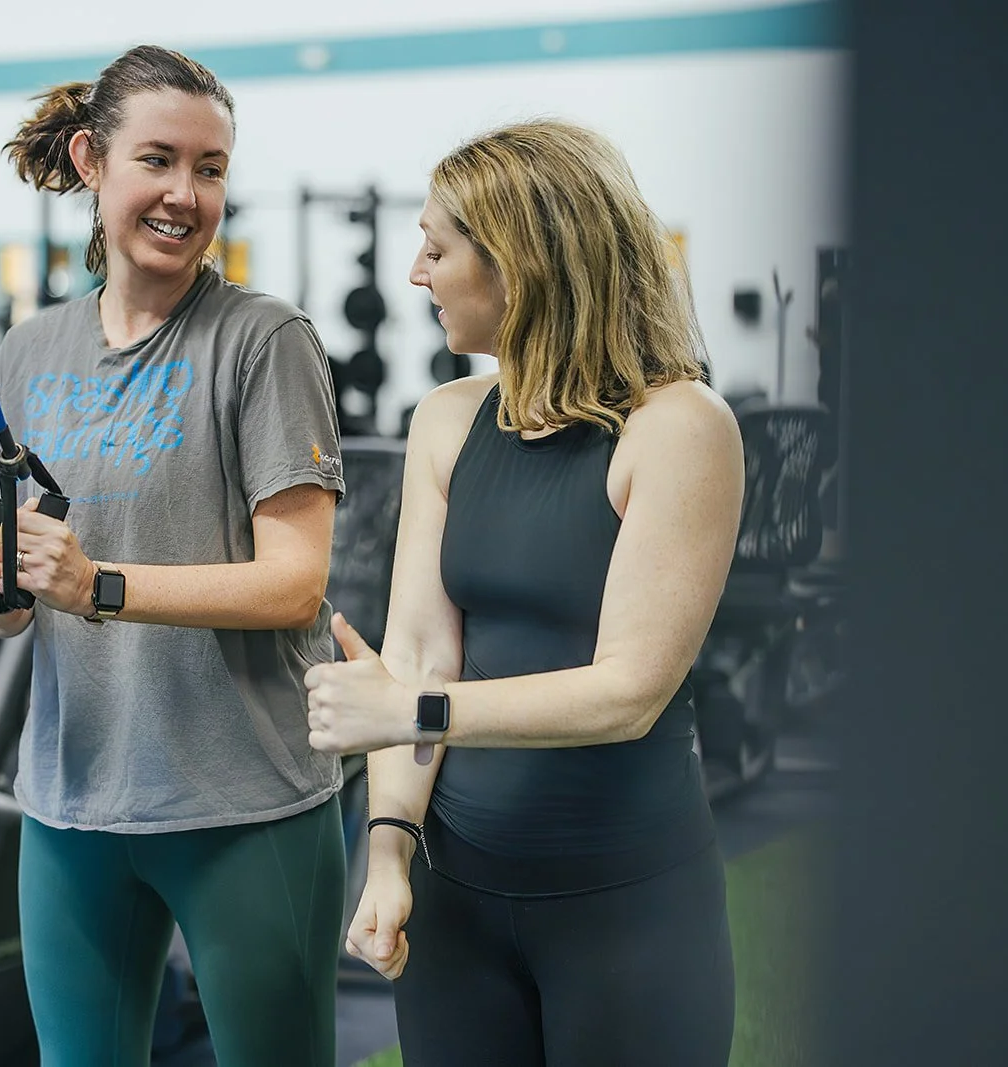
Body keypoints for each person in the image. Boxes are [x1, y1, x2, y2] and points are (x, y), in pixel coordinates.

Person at [304, 118, 745, 1066]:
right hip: (457, 905)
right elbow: (421, 652)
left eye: (436, 248)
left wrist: (404, 707)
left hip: (626, 911)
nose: (415, 275)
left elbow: (628, 690)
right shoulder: (448, 421)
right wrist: (386, 852)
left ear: (520, 264)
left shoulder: (678, 427)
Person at [0, 45, 347, 1067]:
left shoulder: (264, 340)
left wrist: (98, 584)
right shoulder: (28, 351)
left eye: (209, 169)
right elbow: (14, 600)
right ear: (91, 160)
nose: (185, 194)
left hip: (244, 802)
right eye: (158, 160)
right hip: (71, 801)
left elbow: (294, 581)